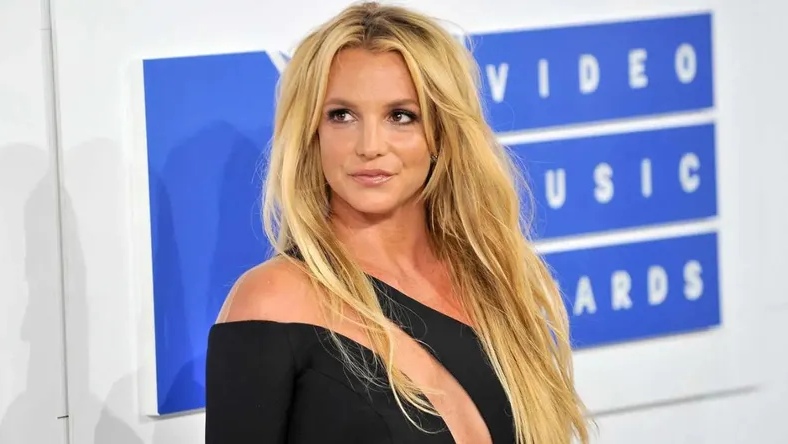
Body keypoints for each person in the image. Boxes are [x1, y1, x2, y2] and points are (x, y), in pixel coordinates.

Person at [205, 2, 590, 443]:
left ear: (441, 132)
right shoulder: (271, 302)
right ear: (313, 133)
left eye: (401, 116)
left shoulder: (491, 283)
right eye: (342, 115)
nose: (370, 145)